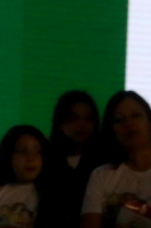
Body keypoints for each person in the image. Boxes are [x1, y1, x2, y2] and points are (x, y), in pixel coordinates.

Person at [80, 91, 151, 228]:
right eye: (119, 120)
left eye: (136, 116)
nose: (128, 124)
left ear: (150, 121)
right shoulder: (101, 176)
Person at [0, 125, 63, 228]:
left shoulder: (50, 196)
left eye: (37, 152)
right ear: (8, 156)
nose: (30, 158)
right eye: (22, 151)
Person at [49, 90, 101, 226]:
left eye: (88, 119)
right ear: (60, 124)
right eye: (74, 119)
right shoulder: (46, 160)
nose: (82, 124)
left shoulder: (103, 162)